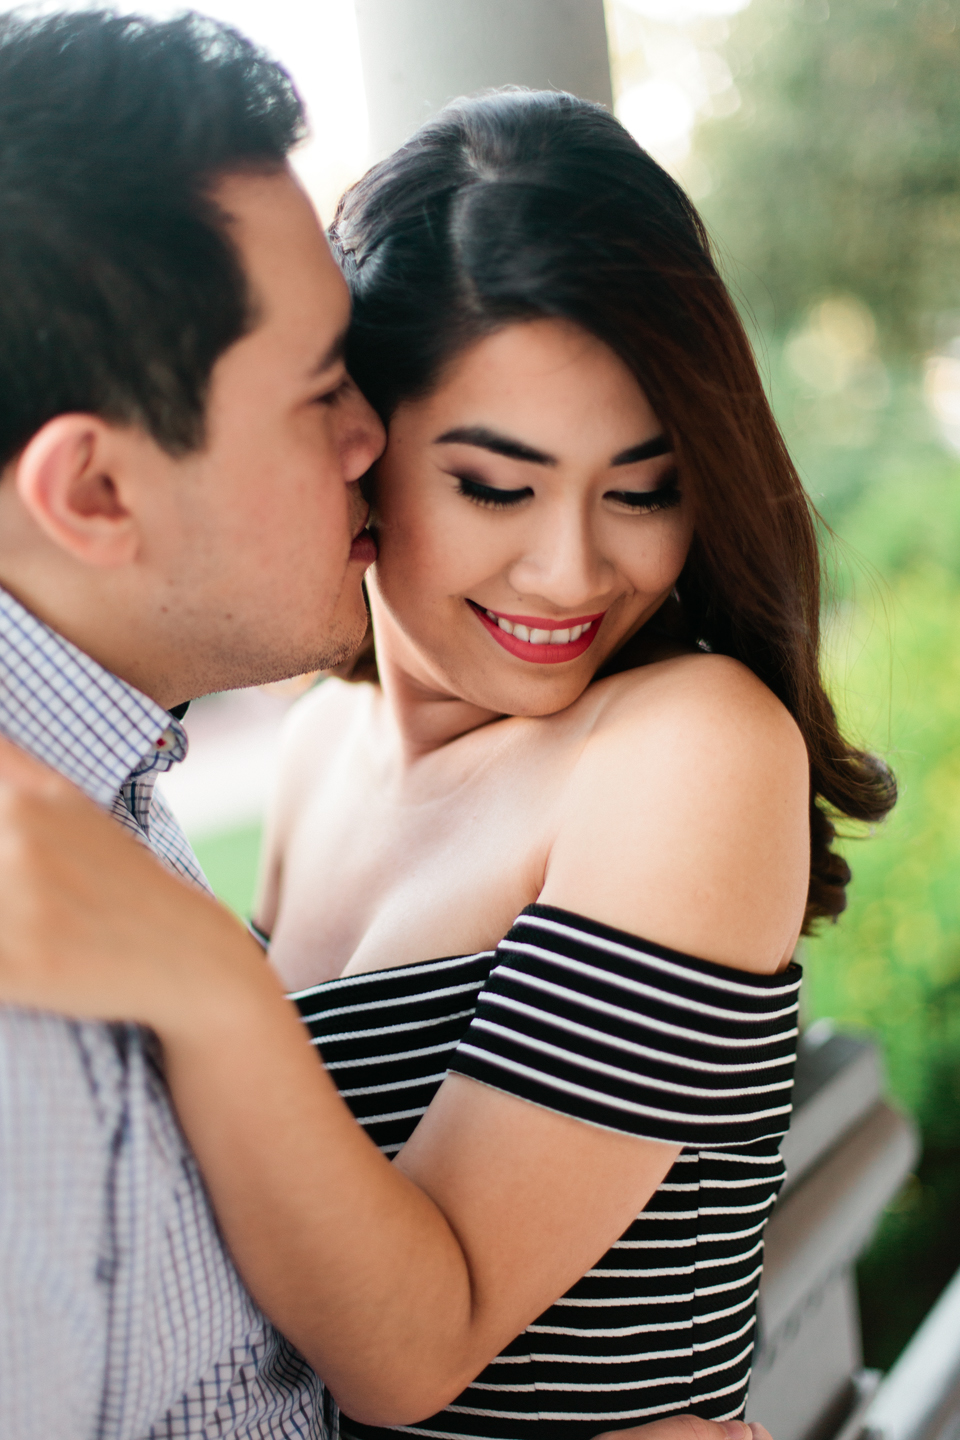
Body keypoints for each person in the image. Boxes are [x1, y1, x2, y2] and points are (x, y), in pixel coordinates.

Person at [0, 30, 894, 1436]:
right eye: (492, 485)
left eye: (641, 491)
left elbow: (419, 1352)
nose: (570, 573)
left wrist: (206, 985)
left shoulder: (688, 746)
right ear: (359, 433)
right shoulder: (317, 748)